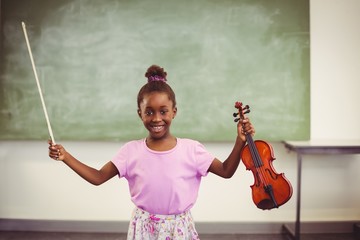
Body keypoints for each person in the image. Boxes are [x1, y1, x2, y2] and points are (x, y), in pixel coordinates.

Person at [48, 65, 255, 240]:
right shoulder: (131, 151)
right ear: (140, 114)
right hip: (143, 229)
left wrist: (240, 141)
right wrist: (66, 156)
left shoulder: (192, 149)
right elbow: (98, 177)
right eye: (149, 112)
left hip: (179, 230)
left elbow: (227, 171)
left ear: (174, 111)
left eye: (163, 111)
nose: (157, 118)